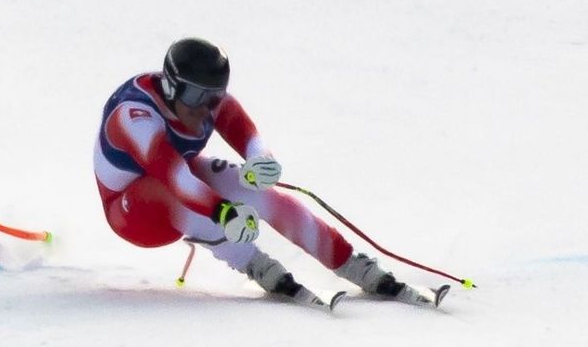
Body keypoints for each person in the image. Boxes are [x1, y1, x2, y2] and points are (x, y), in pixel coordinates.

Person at [93, 37, 444, 309]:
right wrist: (222, 211)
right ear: (171, 87)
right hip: (133, 212)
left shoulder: (208, 102)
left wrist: (260, 161)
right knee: (186, 199)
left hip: (177, 178)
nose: (205, 108)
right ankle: (259, 266)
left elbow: (248, 137)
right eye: (196, 95)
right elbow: (174, 178)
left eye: (214, 97)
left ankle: (352, 263)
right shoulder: (134, 117)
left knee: (260, 195)